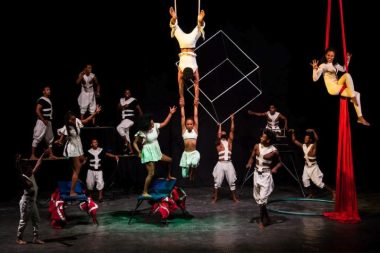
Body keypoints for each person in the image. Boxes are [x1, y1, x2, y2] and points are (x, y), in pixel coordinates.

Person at [311, 48, 370, 126]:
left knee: (352, 84)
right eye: (328, 55)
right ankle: (352, 97)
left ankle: (360, 117)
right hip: (332, 88)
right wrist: (314, 69)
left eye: (332, 56)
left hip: (337, 84)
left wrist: (348, 59)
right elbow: (315, 79)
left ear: (334, 56)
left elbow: (343, 69)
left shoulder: (335, 64)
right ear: (325, 55)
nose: (330, 57)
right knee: (354, 94)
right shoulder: (323, 65)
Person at [55, 105, 101, 197]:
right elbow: (61, 140)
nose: (73, 121)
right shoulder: (66, 127)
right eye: (71, 120)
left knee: (83, 160)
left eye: (73, 119)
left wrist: (95, 113)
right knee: (78, 169)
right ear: (68, 120)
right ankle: (72, 191)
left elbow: (86, 120)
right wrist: (59, 142)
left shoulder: (76, 121)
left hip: (78, 147)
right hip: (72, 149)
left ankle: (76, 177)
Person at [133, 106, 177, 197]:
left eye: (153, 121)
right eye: (151, 122)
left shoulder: (155, 126)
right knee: (151, 173)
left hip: (157, 152)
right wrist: (139, 152)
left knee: (170, 160)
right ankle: (144, 192)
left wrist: (170, 113)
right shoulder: (142, 132)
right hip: (148, 153)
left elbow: (164, 123)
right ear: (147, 123)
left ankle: (168, 176)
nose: (153, 122)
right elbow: (134, 143)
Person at [246, 129, 282, 229]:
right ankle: (268, 218)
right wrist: (249, 163)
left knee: (262, 199)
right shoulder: (256, 146)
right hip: (256, 174)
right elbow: (252, 157)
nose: (261, 137)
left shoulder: (274, 151)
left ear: (268, 140)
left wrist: (275, 168)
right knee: (259, 200)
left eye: (263, 136)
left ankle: (262, 222)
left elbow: (280, 162)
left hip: (266, 176)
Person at [169, 6, 205, 102]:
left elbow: (196, 85)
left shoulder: (194, 70)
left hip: (191, 44)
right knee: (175, 27)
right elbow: (180, 86)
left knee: (199, 28)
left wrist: (196, 97)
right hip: (183, 44)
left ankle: (199, 21)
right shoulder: (180, 70)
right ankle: (174, 19)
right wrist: (182, 97)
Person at [289, 128, 335, 200]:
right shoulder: (303, 146)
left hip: (313, 167)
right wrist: (293, 132)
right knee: (305, 180)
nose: (305, 139)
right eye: (305, 138)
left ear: (310, 140)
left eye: (307, 138)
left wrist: (313, 131)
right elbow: (294, 140)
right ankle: (311, 194)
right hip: (306, 167)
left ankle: (333, 191)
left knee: (319, 183)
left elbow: (317, 139)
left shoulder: (313, 146)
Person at [15, 152, 46, 245]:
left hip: (33, 202)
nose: (30, 169)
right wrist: (17, 162)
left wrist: (43, 154)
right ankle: (19, 238)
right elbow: (19, 172)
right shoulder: (24, 178)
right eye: (28, 168)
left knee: (36, 219)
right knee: (23, 221)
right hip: (26, 202)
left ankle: (35, 238)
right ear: (25, 170)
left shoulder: (30, 174)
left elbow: (38, 163)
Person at [212, 114, 239, 203]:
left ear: (226, 134)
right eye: (221, 132)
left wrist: (232, 120)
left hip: (229, 163)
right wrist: (220, 126)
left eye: (224, 131)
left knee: (232, 181)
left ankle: (234, 197)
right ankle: (216, 197)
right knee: (217, 182)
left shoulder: (229, 142)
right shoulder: (218, 143)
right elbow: (218, 135)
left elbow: (232, 130)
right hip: (220, 164)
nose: (222, 132)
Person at [30, 85, 57, 160]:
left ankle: (51, 155)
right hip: (42, 122)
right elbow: (37, 110)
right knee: (37, 137)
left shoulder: (48, 99)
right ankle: (32, 155)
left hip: (48, 122)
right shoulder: (42, 99)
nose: (49, 91)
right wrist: (43, 120)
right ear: (43, 91)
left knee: (50, 139)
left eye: (49, 89)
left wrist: (47, 121)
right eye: (47, 90)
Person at [179, 98, 200, 182]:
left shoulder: (195, 130)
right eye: (188, 124)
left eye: (191, 124)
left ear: (193, 124)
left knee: (194, 163)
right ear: (186, 125)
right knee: (184, 176)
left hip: (194, 153)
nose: (190, 125)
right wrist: (182, 107)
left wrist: (195, 106)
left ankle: (193, 172)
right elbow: (183, 116)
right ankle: (188, 173)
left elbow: (195, 116)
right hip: (186, 154)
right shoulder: (184, 131)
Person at [116, 88, 143, 154]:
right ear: (124, 93)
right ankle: (131, 151)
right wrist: (120, 106)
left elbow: (139, 109)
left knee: (119, 128)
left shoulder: (133, 100)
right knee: (126, 134)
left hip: (130, 119)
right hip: (124, 120)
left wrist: (142, 117)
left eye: (128, 92)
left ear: (130, 94)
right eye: (126, 92)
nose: (127, 93)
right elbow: (118, 108)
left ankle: (126, 142)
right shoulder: (121, 100)